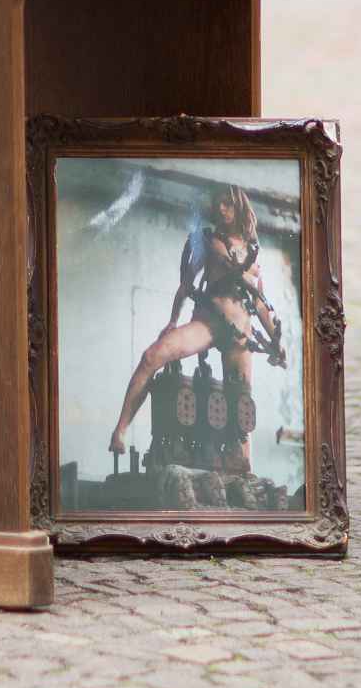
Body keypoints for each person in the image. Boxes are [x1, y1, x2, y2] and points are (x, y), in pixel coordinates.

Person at [108, 183, 283, 475]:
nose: (222, 208)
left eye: (227, 203)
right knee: (152, 356)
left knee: (241, 406)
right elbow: (186, 286)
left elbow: (262, 304)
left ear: (239, 206)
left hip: (241, 333)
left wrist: (277, 342)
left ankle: (240, 469)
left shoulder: (254, 252)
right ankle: (120, 431)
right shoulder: (207, 241)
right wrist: (173, 321)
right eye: (218, 203)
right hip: (209, 322)